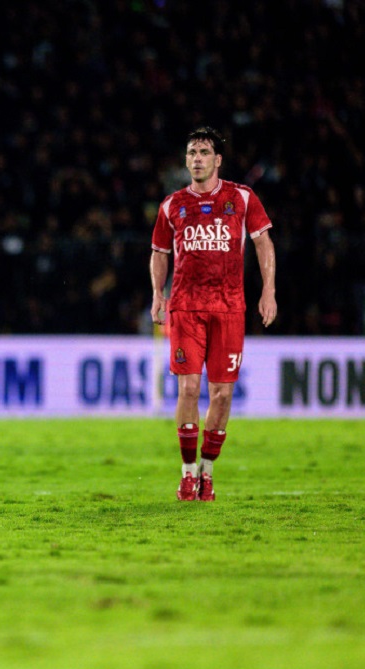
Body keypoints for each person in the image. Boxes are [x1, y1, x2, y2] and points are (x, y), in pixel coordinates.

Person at [150, 126, 276, 502]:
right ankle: (187, 474)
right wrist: (158, 293)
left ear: (218, 160)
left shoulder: (242, 197)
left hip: (229, 308)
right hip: (186, 306)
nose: (197, 159)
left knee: (221, 396)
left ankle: (207, 471)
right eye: (192, 153)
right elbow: (159, 252)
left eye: (204, 152)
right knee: (188, 388)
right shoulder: (172, 205)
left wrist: (268, 290)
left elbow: (263, 243)